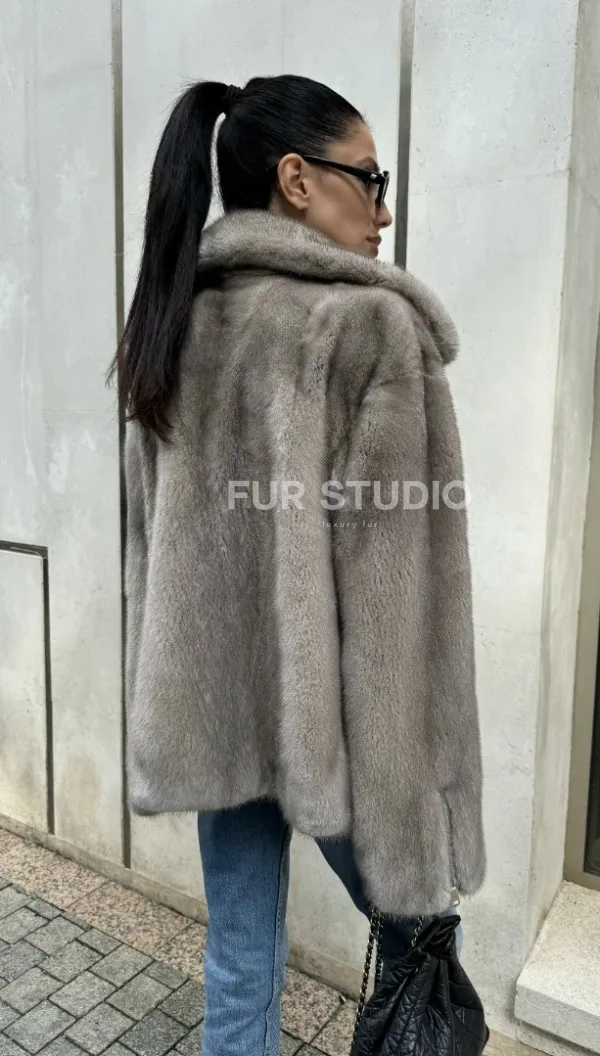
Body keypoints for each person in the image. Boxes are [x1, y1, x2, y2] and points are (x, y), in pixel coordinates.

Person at [111, 74, 486, 1056]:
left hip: (217, 711)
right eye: (372, 178)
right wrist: (408, 818)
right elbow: (394, 603)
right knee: (419, 934)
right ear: (297, 179)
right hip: (332, 730)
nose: (384, 210)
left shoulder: (172, 324)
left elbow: (145, 554)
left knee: (239, 958)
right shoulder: (367, 329)